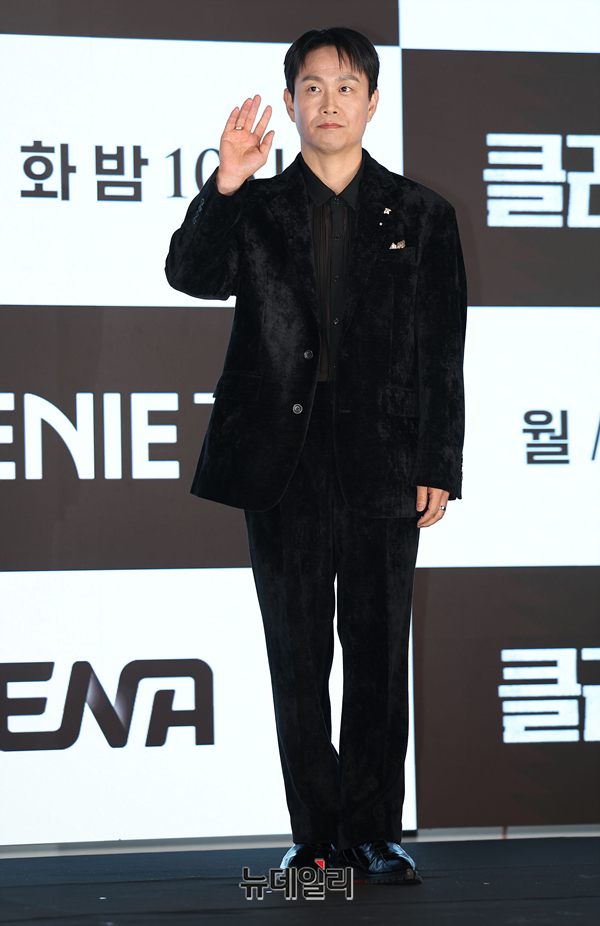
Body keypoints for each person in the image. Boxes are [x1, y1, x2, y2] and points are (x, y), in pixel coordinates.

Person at [165, 26, 466, 884]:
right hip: (281, 457)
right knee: (297, 654)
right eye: (312, 87)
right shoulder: (257, 206)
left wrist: (438, 462)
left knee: (378, 652)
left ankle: (373, 831)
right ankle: (316, 835)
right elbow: (190, 274)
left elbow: (442, 350)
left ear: (373, 102)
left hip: (384, 454)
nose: (328, 102)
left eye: (345, 87)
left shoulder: (422, 214)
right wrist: (226, 183)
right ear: (290, 102)